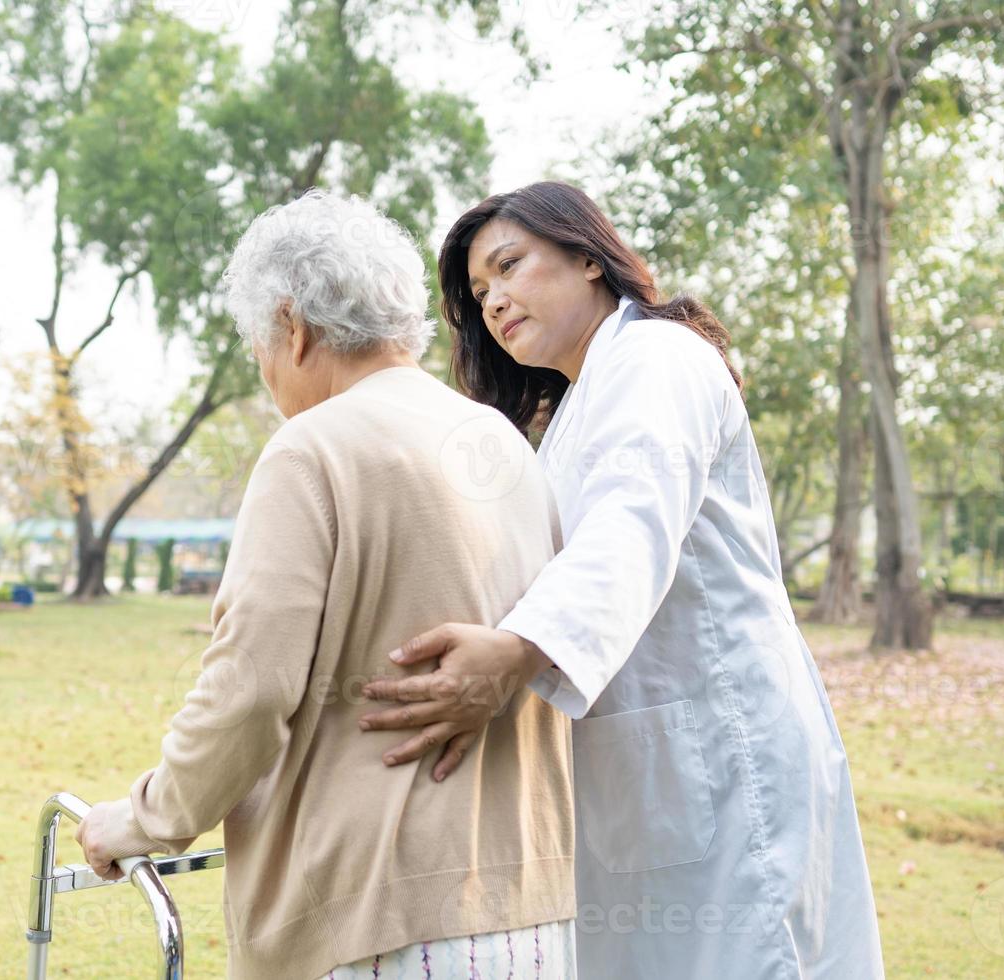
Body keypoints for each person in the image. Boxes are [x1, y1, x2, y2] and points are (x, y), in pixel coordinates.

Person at [358, 181, 885, 978]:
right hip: (642, 772)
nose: (495, 300)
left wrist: (514, 651)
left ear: (587, 258)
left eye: (510, 266)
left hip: (718, 746)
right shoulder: (572, 411)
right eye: (478, 292)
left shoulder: (657, 359)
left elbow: (629, 525)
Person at [76, 190, 577, 979]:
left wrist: (143, 819)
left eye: (261, 351)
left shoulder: (311, 450)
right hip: (530, 913)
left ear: (293, 328)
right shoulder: (500, 443)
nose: (270, 377)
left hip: (374, 922)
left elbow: (248, 689)